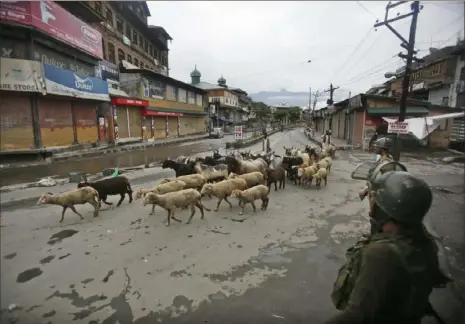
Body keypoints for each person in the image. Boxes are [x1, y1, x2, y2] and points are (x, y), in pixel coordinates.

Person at [327, 171, 447, 324]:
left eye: (373, 198)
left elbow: (356, 316)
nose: (371, 202)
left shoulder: (381, 254)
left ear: (384, 209)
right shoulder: (424, 242)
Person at [359, 137, 394, 201]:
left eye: (377, 147)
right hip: (379, 188)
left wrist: (366, 189)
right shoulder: (382, 158)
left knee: (373, 199)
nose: (375, 148)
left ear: (382, 149)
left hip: (382, 192)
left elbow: (379, 179)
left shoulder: (386, 162)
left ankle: (372, 211)